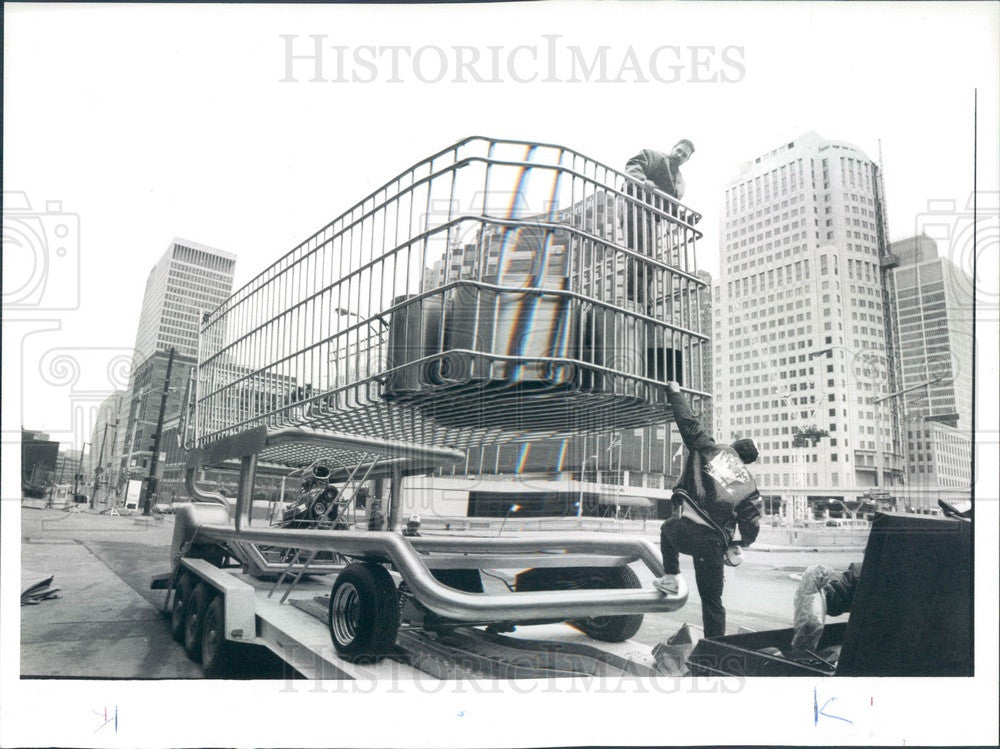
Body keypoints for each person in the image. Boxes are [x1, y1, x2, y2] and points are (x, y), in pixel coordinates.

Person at [653, 380, 761, 639]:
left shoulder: (711, 450)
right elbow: (752, 522)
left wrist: (675, 393)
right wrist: (737, 544)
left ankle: (671, 576)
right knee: (712, 602)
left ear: (734, 447)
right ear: (746, 462)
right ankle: (716, 649)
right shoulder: (747, 483)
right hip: (712, 547)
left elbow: (687, 422)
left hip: (686, 532)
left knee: (666, 529)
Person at [622, 140, 695, 306]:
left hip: (652, 217)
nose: (680, 155)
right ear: (673, 147)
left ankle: (644, 299)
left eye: (684, 155)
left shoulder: (679, 181)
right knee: (640, 252)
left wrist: (685, 219)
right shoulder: (655, 157)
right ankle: (634, 297)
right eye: (679, 150)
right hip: (636, 206)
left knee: (650, 259)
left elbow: (671, 207)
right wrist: (642, 179)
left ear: (687, 160)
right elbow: (634, 163)